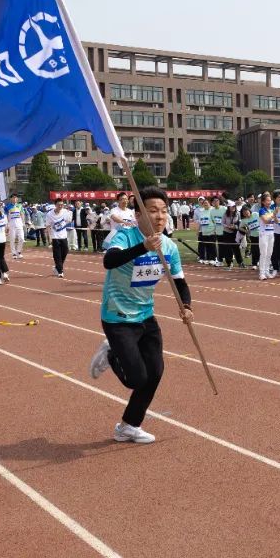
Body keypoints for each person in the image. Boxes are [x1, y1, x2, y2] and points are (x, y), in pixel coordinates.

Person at [87, 186, 193, 445]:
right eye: (153, 211)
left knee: (155, 373)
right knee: (137, 378)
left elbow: (179, 282)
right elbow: (110, 261)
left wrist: (186, 305)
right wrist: (143, 247)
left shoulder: (169, 246)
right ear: (138, 215)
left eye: (164, 211)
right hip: (117, 317)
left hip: (145, 315)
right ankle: (110, 353)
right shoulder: (125, 236)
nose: (160, 216)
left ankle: (128, 426)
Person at [46, 199, 74, 278]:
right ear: (55, 205)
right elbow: (48, 226)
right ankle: (60, 271)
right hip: (55, 236)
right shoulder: (49, 214)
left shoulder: (65, 212)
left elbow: (69, 220)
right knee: (57, 254)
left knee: (65, 251)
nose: (60, 206)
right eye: (59, 204)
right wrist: (49, 237)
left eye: (62, 204)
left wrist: (70, 213)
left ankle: (57, 267)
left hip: (63, 236)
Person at [257, 192, 277, 280]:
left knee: (269, 253)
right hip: (264, 234)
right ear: (263, 202)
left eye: (270, 200)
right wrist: (273, 214)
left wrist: (276, 214)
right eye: (267, 200)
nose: (269, 202)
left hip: (271, 234)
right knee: (264, 253)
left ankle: (266, 271)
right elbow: (265, 220)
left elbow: (276, 221)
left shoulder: (271, 210)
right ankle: (261, 273)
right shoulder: (262, 210)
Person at [219, 201, 242, 270]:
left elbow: (240, 222)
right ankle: (229, 263)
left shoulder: (238, 213)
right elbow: (222, 223)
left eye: (234, 206)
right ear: (228, 207)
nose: (233, 207)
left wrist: (235, 226)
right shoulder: (225, 214)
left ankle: (240, 262)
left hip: (235, 233)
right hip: (227, 233)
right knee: (227, 249)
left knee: (236, 248)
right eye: (232, 206)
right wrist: (228, 226)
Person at [237, 205, 260, 269]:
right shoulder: (244, 220)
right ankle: (254, 264)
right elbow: (240, 227)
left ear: (249, 210)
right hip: (253, 236)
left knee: (261, 249)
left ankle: (260, 262)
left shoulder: (255, 214)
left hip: (261, 235)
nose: (246, 213)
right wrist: (246, 231)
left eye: (246, 211)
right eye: (244, 213)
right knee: (254, 250)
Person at [5, 194, 26, 259]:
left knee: (21, 238)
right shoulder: (7, 206)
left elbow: (22, 214)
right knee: (12, 239)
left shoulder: (20, 206)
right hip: (11, 225)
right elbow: (5, 216)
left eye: (16, 198)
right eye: (13, 198)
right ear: (11, 199)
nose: (15, 199)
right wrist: (7, 225)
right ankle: (13, 253)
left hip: (19, 224)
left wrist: (23, 222)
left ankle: (19, 251)